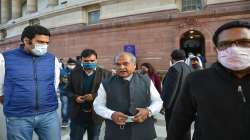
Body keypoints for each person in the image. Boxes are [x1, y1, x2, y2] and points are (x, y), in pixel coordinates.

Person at [166, 20, 250, 140]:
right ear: (217, 50)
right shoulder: (196, 80)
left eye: (244, 42)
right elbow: (179, 124)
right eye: (225, 44)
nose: (234, 49)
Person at [0, 25, 61, 140]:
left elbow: (54, 84)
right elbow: (0, 88)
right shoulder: (5, 58)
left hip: (48, 114)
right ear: (26, 41)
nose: (44, 46)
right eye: (40, 42)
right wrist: (14, 102)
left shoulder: (52, 59)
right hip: (18, 117)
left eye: (47, 43)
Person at [93, 52, 163, 140]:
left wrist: (148, 111)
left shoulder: (146, 81)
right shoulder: (106, 83)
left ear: (134, 65)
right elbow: (98, 105)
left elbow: (158, 101)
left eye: (125, 64)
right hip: (116, 132)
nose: (121, 67)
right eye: (118, 64)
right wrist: (111, 114)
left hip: (144, 130)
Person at [66, 49, 111, 140]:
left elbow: (110, 93)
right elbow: (68, 90)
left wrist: (94, 96)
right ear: (81, 61)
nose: (89, 63)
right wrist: (75, 97)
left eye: (92, 60)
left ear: (96, 60)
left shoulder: (106, 74)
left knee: (94, 137)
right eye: (86, 61)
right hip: (77, 115)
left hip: (96, 116)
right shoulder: (74, 73)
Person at [162, 49, 192, 140]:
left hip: (174, 107)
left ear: (172, 58)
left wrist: (164, 105)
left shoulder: (174, 69)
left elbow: (170, 90)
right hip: (186, 106)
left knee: (173, 132)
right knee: (185, 132)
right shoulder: (188, 68)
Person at [59, 58, 77, 128]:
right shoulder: (62, 72)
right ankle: (65, 120)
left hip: (73, 93)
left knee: (72, 107)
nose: (72, 66)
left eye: (73, 64)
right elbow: (64, 81)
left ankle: (71, 119)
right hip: (64, 92)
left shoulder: (77, 72)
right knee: (65, 106)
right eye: (70, 64)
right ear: (67, 64)